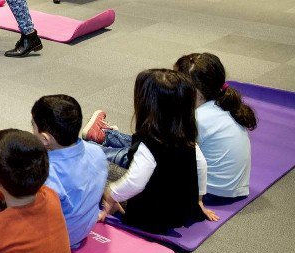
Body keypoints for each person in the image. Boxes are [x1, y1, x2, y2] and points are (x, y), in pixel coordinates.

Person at [83, 53, 256, 200]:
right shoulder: (221, 104)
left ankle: (85, 148)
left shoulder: (196, 118)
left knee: (144, 153)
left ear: (192, 90)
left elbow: (157, 154)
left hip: (207, 192)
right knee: (154, 141)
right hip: (229, 189)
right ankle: (105, 136)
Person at [0, 94, 107, 248]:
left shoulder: (46, 175)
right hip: (81, 230)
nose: (32, 131)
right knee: (12, 168)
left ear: (45, 139)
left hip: (54, 241)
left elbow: (15, 192)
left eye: (33, 126)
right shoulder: (97, 152)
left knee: (4, 178)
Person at [97, 69, 217, 233]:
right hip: (179, 211)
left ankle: (119, 207)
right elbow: (201, 165)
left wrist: (112, 195)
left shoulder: (149, 143)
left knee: (98, 169)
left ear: (148, 106)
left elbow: (135, 182)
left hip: (151, 217)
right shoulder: (186, 136)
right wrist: (198, 202)